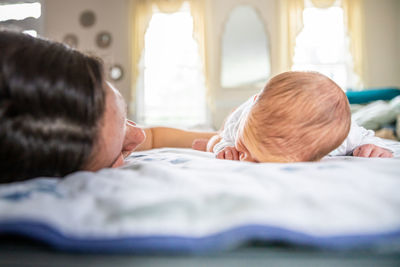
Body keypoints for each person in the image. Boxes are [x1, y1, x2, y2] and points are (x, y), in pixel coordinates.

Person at [0, 31, 215, 184]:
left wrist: (222, 138)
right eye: (118, 154)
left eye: (125, 117)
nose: (139, 135)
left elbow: (152, 136)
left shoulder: (103, 136)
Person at [193, 71, 393, 162]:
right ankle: (208, 141)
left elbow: (370, 139)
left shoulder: (343, 137)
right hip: (234, 119)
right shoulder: (242, 124)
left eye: (257, 160)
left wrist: (372, 148)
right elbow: (230, 141)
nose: (244, 159)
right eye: (244, 147)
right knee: (217, 140)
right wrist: (226, 147)